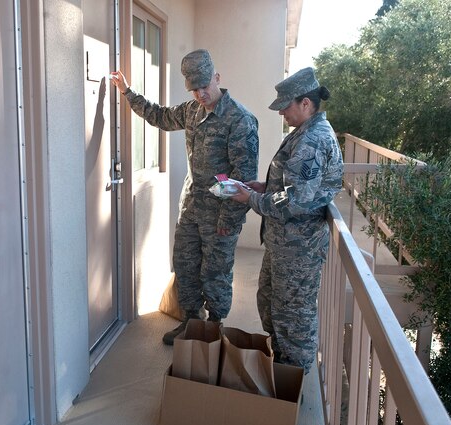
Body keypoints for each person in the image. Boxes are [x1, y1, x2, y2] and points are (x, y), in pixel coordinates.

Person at [110, 49, 259, 345]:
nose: (201, 94)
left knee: (215, 274)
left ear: (217, 78)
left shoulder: (240, 120)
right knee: (186, 266)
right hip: (191, 209)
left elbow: (244, 181)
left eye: (205, 86)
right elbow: (160, 116)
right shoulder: (191, 111)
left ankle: (213, 329)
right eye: (194, 89)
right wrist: (127, 92)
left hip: (220, 215)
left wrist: (228, 222)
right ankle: (191, 322)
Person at [230, 67, 344, 373]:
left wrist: (250, 198)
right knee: (271, 305)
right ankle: (281, 367)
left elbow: (294, 202)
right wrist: (264, 187)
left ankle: (294, 383)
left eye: (285, 107)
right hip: (285, 244)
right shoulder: (306, 133)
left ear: (305, 103)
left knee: (294, 318)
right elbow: (297, 188)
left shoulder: (311, 140)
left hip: (297, 248)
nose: (282, 114)